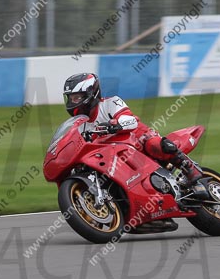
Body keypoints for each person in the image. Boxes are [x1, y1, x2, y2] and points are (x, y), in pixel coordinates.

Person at [62, 72, 207, 196]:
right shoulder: (80, 125)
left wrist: (116, 125)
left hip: (138, 138)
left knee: (154, 145)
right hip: (111, 156)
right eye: (70, 98)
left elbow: (131, 120)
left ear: (90, 93)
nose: (73, 102)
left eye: (77, 97)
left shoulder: (111, 103)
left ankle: (190, 171)